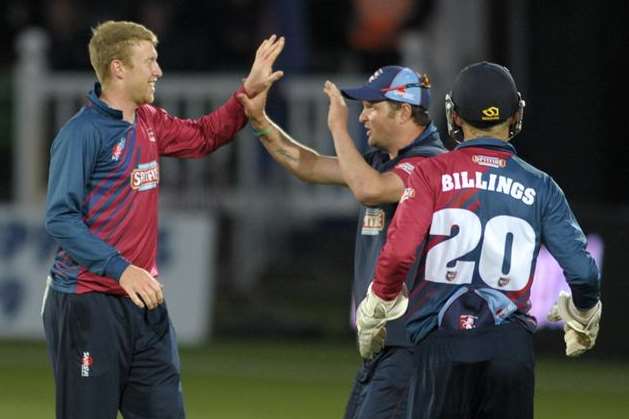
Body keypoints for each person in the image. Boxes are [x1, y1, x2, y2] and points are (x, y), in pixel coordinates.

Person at [42, 20, 284, 419]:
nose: (158, 70)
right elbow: (61, 218)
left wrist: (248, 91)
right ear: (118, 68)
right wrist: (121, 270)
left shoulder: (149, 121)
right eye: (150, 61)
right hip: (89, 304)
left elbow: (205, 135)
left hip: (145, 303)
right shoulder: (81, 135)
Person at [356, 61, 602, 419]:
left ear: (454, 116)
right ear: (515, 114)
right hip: (509, 348)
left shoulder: (429, 173)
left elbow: (398, 256)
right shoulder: (541, 186)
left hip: (439, 343)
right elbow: (583, 272)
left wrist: (375, 309)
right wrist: (584, 313)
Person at [237, 65, 446, 419]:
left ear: (405, 111)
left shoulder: (429, 164)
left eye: (371, 107)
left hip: (412, 346)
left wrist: (337, 127)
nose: (362, 117)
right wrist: (259, 121)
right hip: (385, 347)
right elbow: (311, 166)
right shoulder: (383, 162)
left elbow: (369, 190)